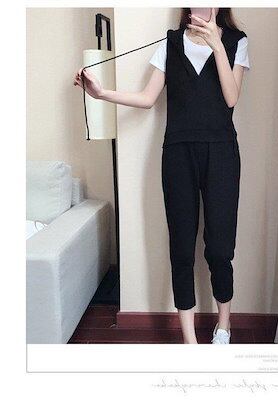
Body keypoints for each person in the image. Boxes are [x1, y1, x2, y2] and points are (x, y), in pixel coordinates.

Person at [74, 7, 250, 344]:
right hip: (178, 153)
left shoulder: (236, 42)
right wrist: (101, 94)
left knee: (220, 247)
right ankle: (189, 341)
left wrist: (216, 44)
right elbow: (147, 98)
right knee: (181, 246)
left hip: (222, 153)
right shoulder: (170, 43)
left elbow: (231, 98)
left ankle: (224, 327)